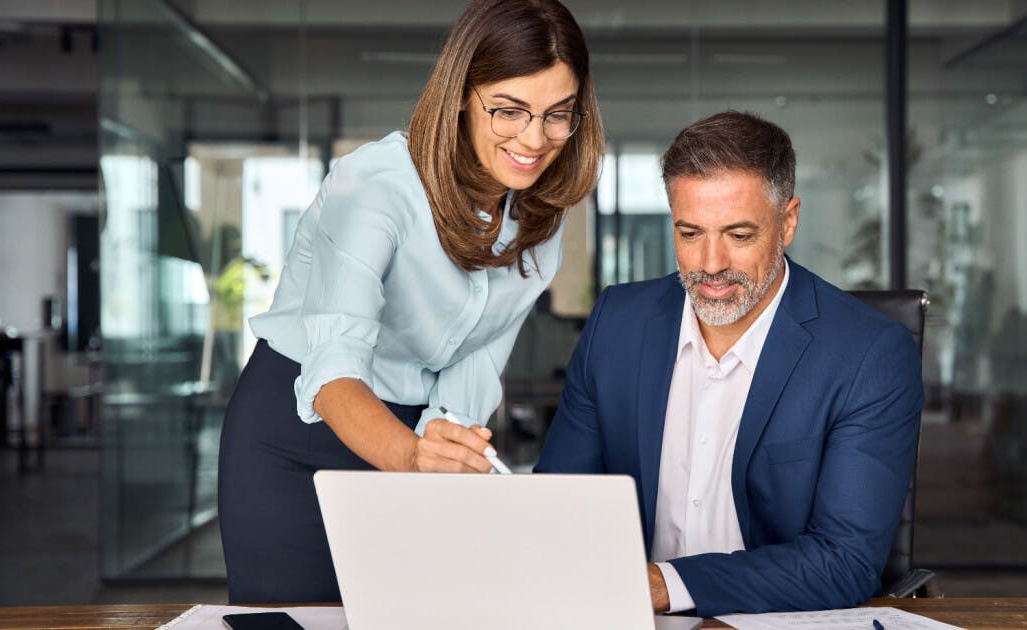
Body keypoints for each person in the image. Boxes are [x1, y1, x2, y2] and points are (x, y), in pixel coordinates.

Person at [218, 0, 603, 604]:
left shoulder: (539, 225)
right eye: (509, 110)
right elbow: (334, 368)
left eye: (558, 115)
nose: (534, 139)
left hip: (418, 432)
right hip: (302, 427)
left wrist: (441, 454)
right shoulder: (376, 186)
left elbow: (475, 361)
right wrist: (413, 459)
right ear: (459, 96)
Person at [535, 112, 922, 616]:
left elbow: (842, 561)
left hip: (774, 621)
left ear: (787, 221)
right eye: (690, 233)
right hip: (623, 616)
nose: (711, 264)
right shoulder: (618, 323)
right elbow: (558, 503)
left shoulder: (869, 354)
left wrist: (661, 584)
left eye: (738, 236)